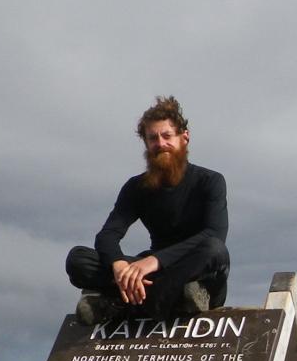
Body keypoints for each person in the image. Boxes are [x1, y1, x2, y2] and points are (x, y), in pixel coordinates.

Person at [65, 96, 229, 321]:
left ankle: (120, 304)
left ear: (184, 137)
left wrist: (155, 261)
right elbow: (107, 236)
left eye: (167, 136)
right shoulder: (136, 187)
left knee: (215, 250)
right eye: (153, 138)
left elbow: (214, 234)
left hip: (195, 270)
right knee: (78, 259)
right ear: (146, 143)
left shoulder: (210, 181)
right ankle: (167, 299)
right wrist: (119, 266)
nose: (160, 143)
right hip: (153, 276)